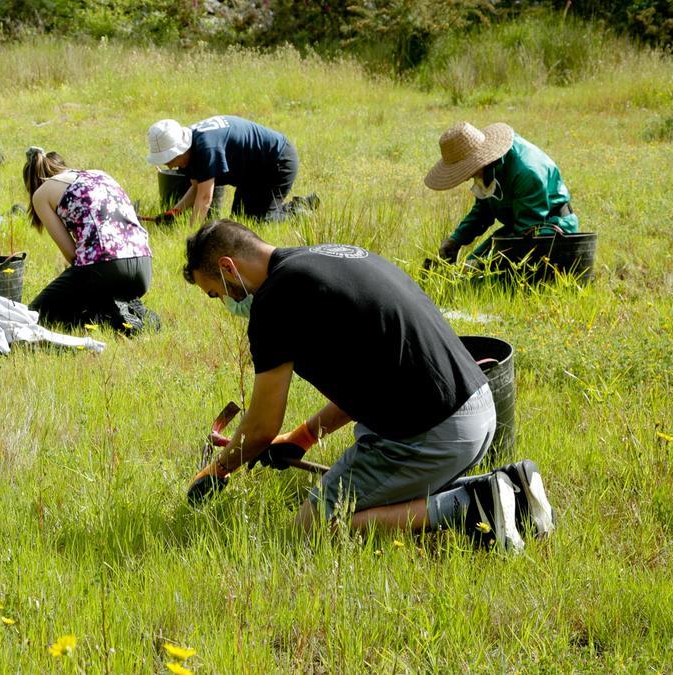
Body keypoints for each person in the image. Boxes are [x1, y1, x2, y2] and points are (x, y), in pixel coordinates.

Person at [181, 220, 555, 552]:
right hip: (478, 410)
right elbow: (371, 375)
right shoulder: (331, 257)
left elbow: (262, 427)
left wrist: (217, 470)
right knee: (372, 498)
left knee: (310, 530)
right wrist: (303, 437)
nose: (224, 303)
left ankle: (471, 505)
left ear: (228, 268)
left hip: (433, 432)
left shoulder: (274, 301)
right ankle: (509, 489)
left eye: (216, 293)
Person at [24, 147, 159, 336]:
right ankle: (126, 309)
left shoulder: (41, 194)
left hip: (104, 268)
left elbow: (72, 254)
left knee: (35, 316)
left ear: (31, 181)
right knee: (87, 294)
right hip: (143, 269)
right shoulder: (99, 174)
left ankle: (111, 317)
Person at [426, 122, 578, 263]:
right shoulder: (487, 169)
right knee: (469, 269)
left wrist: (482, 264)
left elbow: (527, 234)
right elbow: (483, 212)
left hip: (548, 230)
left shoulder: (527, 171)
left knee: (479, 273)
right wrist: (456, 240)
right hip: (518, 230)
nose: (467, 178)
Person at [144, 115, 318, 226]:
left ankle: (300, 209)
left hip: (277, 162)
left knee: (258, 221)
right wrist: (174, 212)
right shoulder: (192, 145)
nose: (170, 166)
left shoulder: (205, 148)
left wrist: (192, 236)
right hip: (252, 171)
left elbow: (204, 198)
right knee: (240, 218)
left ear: (181, 149)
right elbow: (196, 187)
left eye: (171, 159)